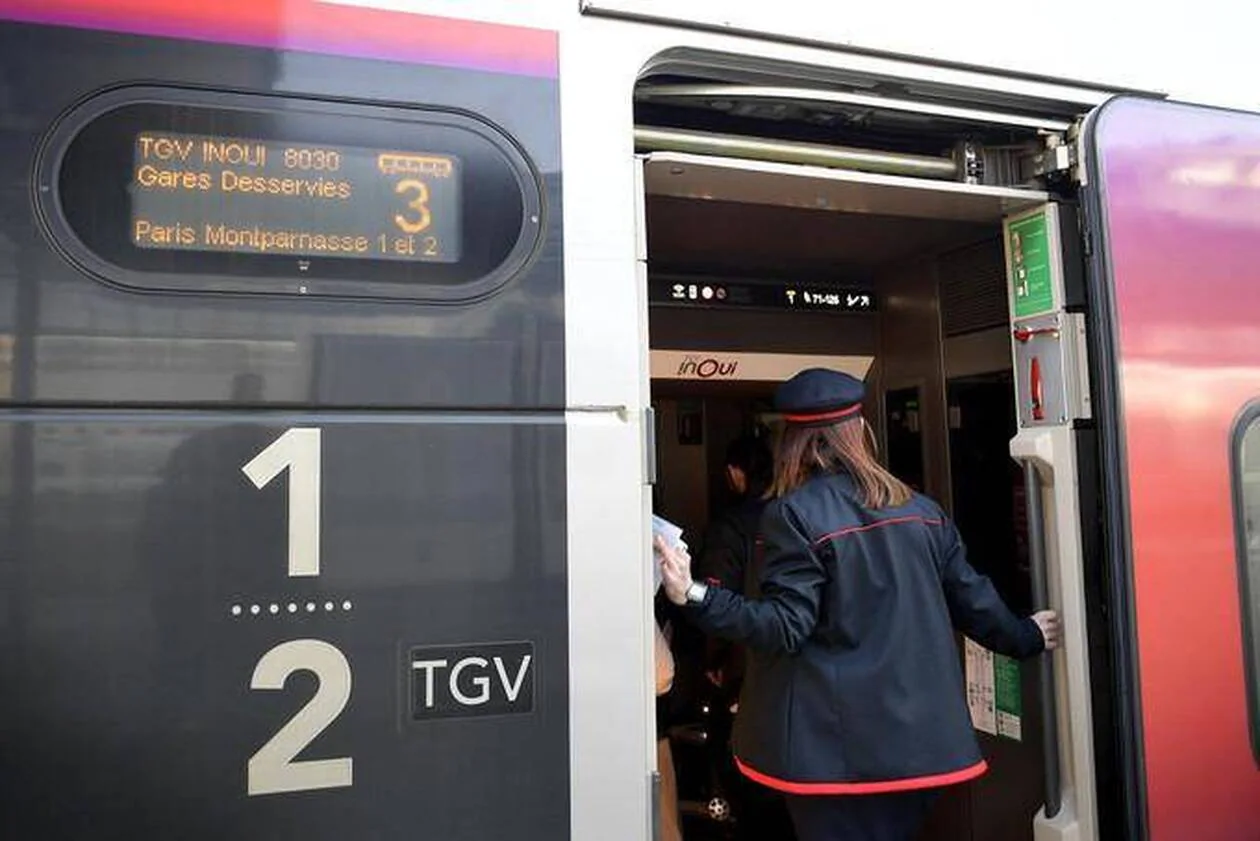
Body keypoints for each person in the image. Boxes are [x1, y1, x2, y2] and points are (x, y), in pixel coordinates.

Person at [656, 367, 1060, 841]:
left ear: (793, 443)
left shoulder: (792, 515)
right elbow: (974, 602)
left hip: (836, 755)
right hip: (922, 748)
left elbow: (785, 626)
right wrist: (1029, 635)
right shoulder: (922, 510)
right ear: (860, 431)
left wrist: (693, 593)